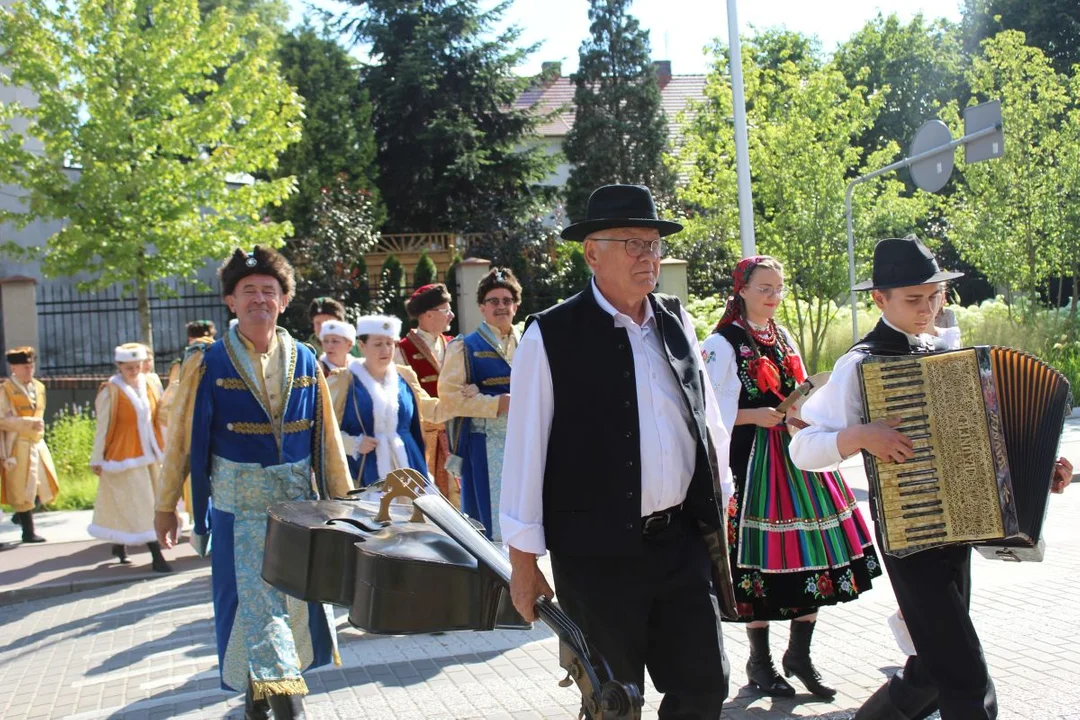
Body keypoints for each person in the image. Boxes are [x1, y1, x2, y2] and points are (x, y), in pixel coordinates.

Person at [788, 235, 1074, 720]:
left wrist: (1041, 468)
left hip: (958, 527)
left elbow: (981, 439)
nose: (926, 309)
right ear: (880, 300)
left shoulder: (946, 352)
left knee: (932, 665)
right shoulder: (860, 362)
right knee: (964, 671)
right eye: (913, 299)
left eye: (934, 296)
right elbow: (803, 447)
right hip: (910, 533)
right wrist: (858, 435)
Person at [501, 184, 734, 718]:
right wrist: (522, 561)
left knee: (705, 687)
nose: (647, 256)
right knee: (615, 701)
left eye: (652, 244)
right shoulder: (550, 335)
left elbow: (707, 423)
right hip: (597, 556)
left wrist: (723, 497)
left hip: (679, 545)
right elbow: (525, 453)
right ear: (592, 252)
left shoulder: (675, 320)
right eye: (631, 243)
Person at [155, 246, 351, 720]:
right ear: (230, 301)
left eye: (269, 291)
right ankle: (291, 709)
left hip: (299, 511)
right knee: (254, 607)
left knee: (293, 608)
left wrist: (344, 505)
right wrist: (166, 505)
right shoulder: (206, 362)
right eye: (249, 292)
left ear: (283, 300)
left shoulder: (306, 359)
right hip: (237, 509)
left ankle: (255, 701)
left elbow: (327, 440)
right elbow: (181, 439)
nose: (259, 299)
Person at [700, 256, 882, 699]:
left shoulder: (782, 336)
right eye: (765, 288)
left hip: (797, 456)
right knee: (755, 560)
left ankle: (799, 655)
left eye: (778, 288)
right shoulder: (722, 343)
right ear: (741, 290)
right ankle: (759, 661)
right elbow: (704, 409)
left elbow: (799, 389)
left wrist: (805, 412)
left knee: (815, 553)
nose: (773, 296)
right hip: (750, 462)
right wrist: (752, 415)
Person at [439, 268, 518, 540]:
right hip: (484, 444)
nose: (501, 307)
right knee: (489, 522)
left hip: (524, 443)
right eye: (493, 301)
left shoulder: (528, 344)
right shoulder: (464, 346)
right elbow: (449, 400)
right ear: (482, 308)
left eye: (507, 301)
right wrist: (497, 403)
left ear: (516, 306)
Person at [88, 343, 171, 572]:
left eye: (137, 366)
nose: (134, 371)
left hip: (151, 453)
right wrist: (97, 459)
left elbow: (162, 415)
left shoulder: (151, 383)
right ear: (119, 366)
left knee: (139, 504)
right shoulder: (111, 391)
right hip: (123, 456)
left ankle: (119, 543)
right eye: (128, 368)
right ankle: (157, 556)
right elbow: (102, 427)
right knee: (141, 505)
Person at [395, 283, 460, 506]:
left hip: (456, 437)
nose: (451, 315)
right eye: (446, 310)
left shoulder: (454, 345)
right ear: (428, 314)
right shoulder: (401, 350)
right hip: (424, 440)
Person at [0, 346, 59, 544]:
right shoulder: (6, 390)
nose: (29, 370)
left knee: (45, 483)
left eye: (31, 366)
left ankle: (20, 516)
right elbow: (2, 419)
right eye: (24, 367)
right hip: (17, 444)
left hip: (36, 442)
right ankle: (28, 531)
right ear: (13, 368)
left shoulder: (39, 387)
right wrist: (27, 422)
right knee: (23, 487)